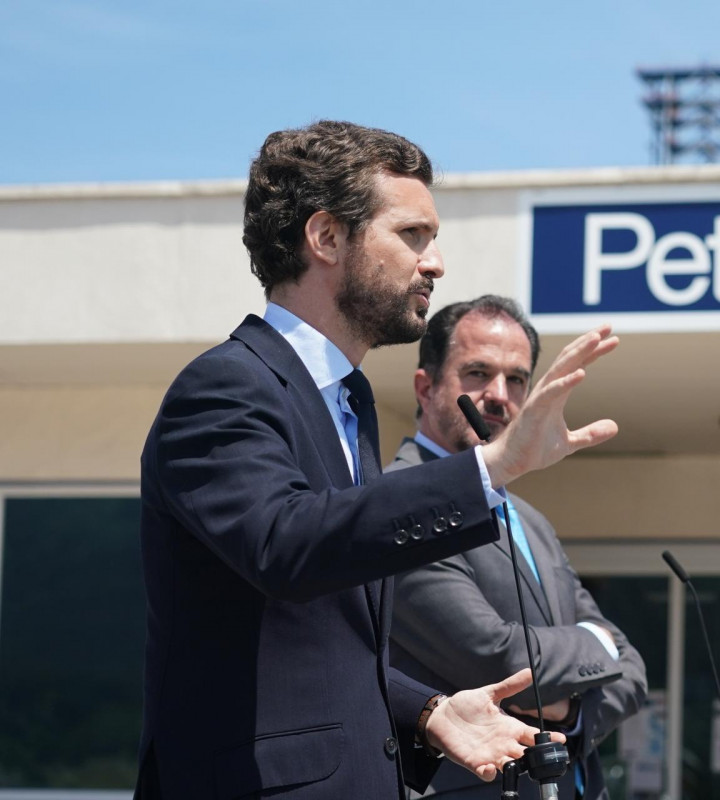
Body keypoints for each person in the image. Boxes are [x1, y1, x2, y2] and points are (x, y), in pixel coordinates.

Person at [136, 122, 618, 799]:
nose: (436, 263)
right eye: (412, 235)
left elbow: (323, 647)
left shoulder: (347, 404)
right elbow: (286, 545)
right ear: (326, 237)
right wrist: (490, 469)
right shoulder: (226, 386)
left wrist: (430, 712)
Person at [386, 296, 647, 800]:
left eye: (517, 380)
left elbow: (632, 670)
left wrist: (570, 716)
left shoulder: (532, 521)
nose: (499, 396)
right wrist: (596, 644)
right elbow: (498, 656)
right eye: (477, 373)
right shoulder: (400, 501)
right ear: (426, 386)